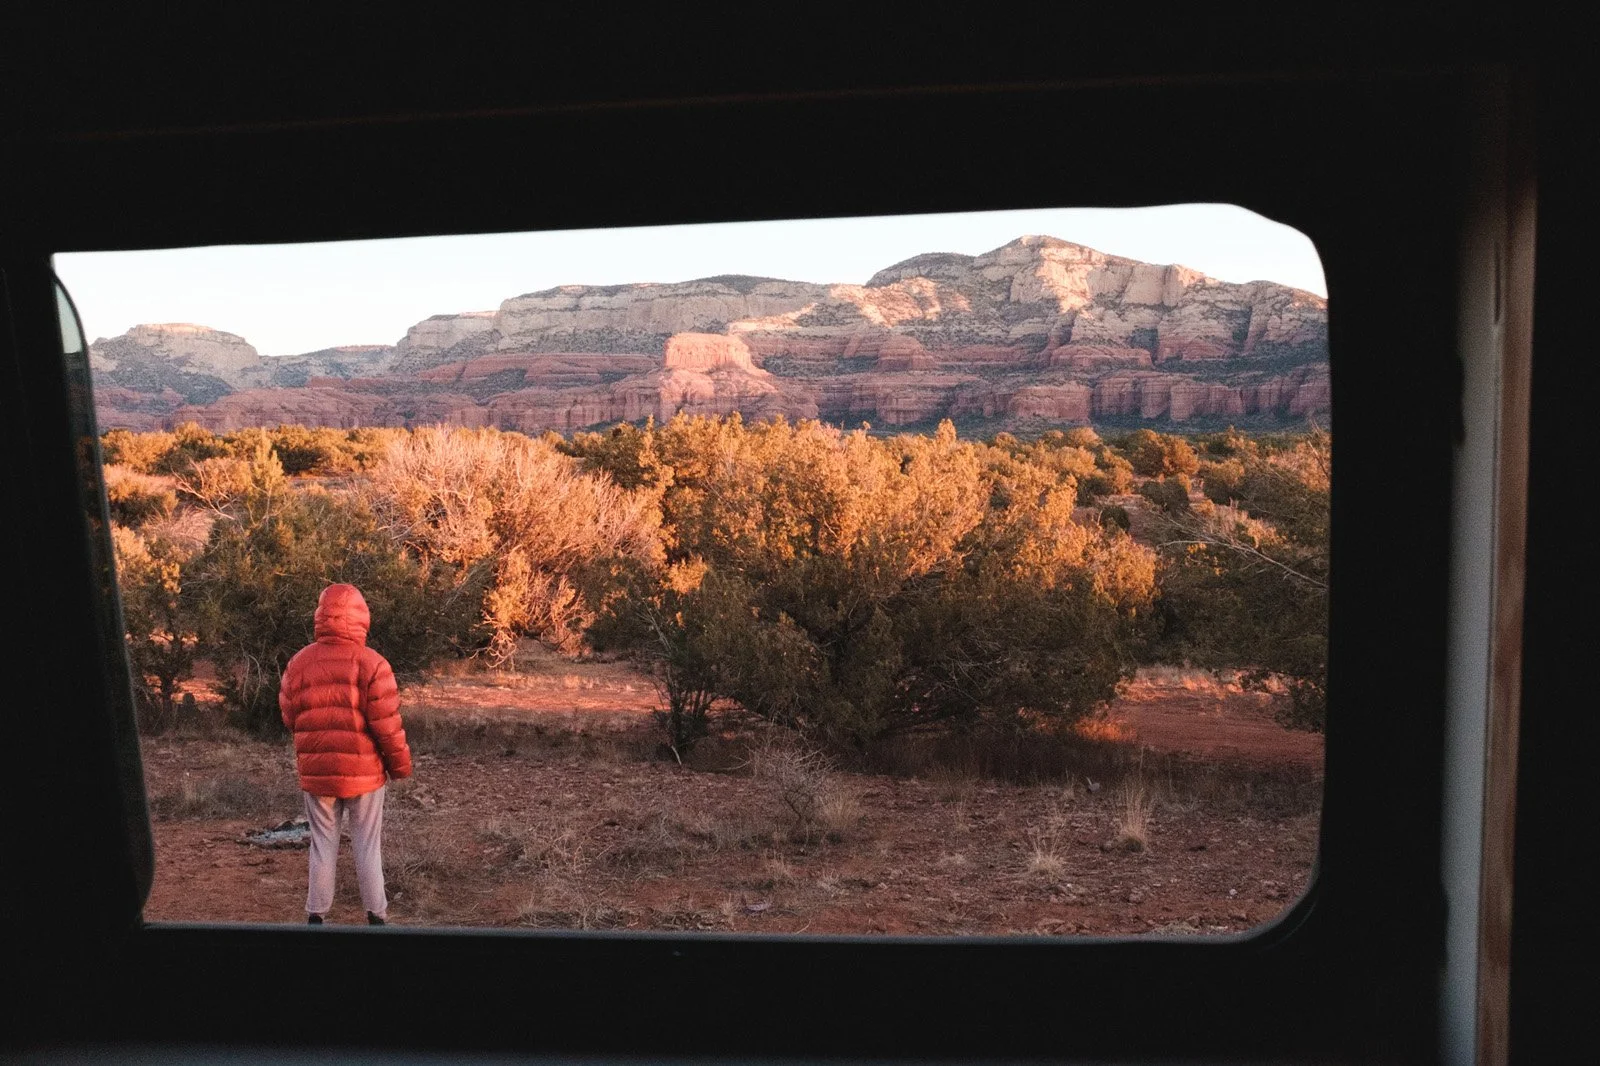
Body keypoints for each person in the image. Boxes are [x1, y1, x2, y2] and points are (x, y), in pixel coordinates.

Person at [279, 583, 412, 925]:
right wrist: (399, 767)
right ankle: (376, 915)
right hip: (365, 775)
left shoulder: (298, 663)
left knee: (322, 844)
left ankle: (316, 915)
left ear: (321, 616)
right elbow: (387, 726)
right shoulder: (373, 663)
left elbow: (290, 718)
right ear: (361, 617)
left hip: (318, 772)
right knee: (367, 844)